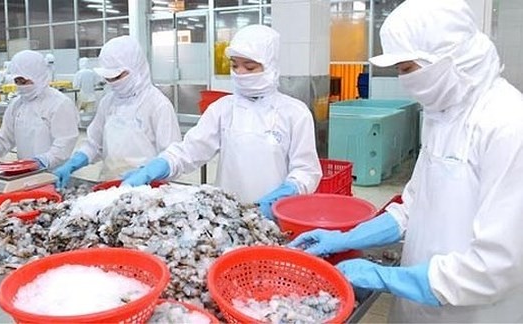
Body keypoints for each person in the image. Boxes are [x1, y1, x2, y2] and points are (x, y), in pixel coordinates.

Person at [288, 0, 523, 322]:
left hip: (474, 312)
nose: (404, 81)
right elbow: (413, 206)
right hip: (415, 301)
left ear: (449, 57)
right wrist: (347, 237)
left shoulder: (507, 124)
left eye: (408, 69)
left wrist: (386, 277)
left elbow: (498, 266)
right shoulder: (442, 115)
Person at [121, 25, 322, 219]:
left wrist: (287, 192)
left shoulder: (295, 113)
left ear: (270, 66)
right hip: (227, 216)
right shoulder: (223, 109)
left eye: (250, 67)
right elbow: (190, 150)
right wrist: (161, 165)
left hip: (275, 216)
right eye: (235, 65)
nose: (240, 73)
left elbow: (306, 170)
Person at [53, 36, 181, 186]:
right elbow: (94, 144)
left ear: (136, 68)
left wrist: (147, 174)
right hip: (109, 185)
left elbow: (172, 158)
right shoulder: (108, 102)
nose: (113, 83)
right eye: (109, 78)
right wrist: (73, 163)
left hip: (147, 191)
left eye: (118, 76)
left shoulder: (158, 105)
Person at [0, 50, 80, 172]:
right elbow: (4, 139)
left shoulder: (59, 104)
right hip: (24, 174)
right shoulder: (17, 104)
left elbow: (64, 146)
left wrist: (43, 161)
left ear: (38, 75)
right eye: (17, 82)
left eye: (24, 81)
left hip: (53, 174)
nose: (21, 86)